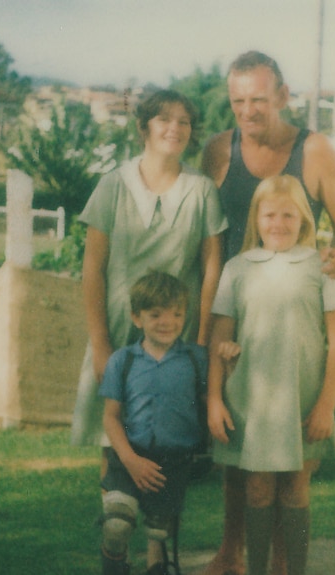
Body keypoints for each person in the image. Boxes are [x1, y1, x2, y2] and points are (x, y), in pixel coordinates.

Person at [200, 50, 335, 575]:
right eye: (238, 101)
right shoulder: (219, 150)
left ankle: (286, 566)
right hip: (233, 312)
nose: (247, 111)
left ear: (284, 97)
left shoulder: (314, 150)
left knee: (291, 472)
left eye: (259, 101)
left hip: (294, 325)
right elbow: (205, 235)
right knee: (236, 460)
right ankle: (231, 554)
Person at [207, 175, 335, 575]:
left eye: (289, 215)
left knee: (295, 487)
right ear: (257, 217)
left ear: (304, 219)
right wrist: (215, 398)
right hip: (250, 399)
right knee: (256, 489)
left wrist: (326, 406)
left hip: (303, 400)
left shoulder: (322, 268)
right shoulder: (238, 268)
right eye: (270, 214)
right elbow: (220, 335)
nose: (278, 223)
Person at [70, 88, 226, 448]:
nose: (175, 128)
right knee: (113, 432)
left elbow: (211, 271)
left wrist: (200, 343)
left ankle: (160, 504)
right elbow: (92, 269)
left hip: (177, 329)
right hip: (120, 325)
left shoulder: (201, 190)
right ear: (143, 128)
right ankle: (115, 503)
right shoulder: (113, 185)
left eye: (184, 121)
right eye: (164, 119)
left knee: (167, 435)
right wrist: (100, 344)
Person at [99, 271, 208, 575]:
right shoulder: (123, 361)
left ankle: (157, 567)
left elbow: (213, 399)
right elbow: (110, 417)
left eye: (176, 314)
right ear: (137, 317)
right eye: (156, 314)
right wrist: (130, 459)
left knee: (159, 534)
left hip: (171, 464)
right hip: (130, 456)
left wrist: (230, 359)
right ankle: (114, 565)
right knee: (117, 526)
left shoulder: (195, 359)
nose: (167, 322)